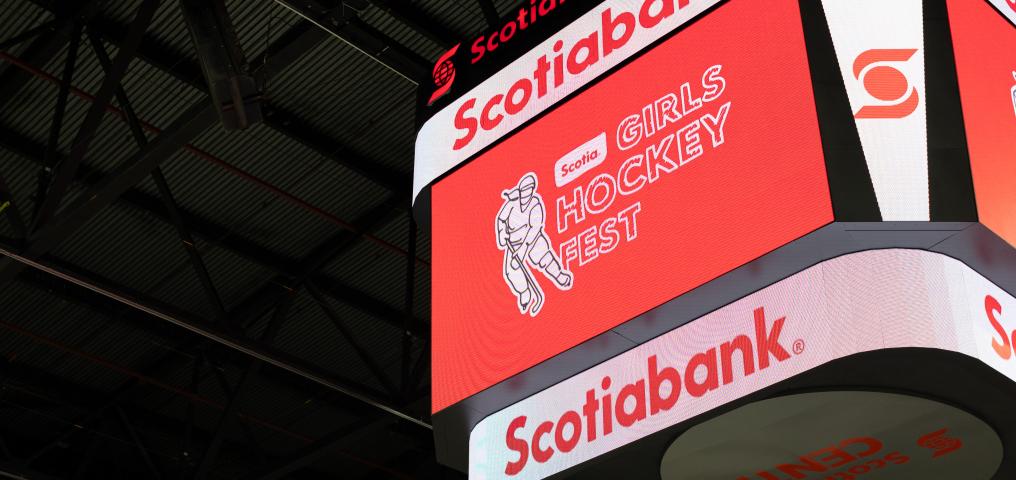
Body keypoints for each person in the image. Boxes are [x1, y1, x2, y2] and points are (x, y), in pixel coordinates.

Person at [496, 173, 573, 316]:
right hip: (513, 242)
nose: (526, 194)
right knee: (511, 271)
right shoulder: (511, 204)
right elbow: (501, 219)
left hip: (532, 239)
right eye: (524, 190)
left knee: (544, 257)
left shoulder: (535, 204)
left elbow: (535, 228)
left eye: (529, 190)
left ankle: (559, 275)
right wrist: (502, 234)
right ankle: (525, 293)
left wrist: (523, 250)